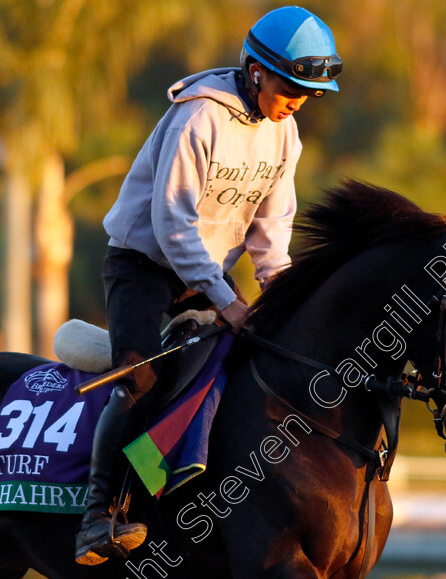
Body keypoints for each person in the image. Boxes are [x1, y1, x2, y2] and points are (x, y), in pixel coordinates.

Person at [74, 6, 343, 566]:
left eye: (309, 91)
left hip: (207, 272)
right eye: (291, 85)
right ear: (255, 71)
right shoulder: (199, 117)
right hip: (144, 267)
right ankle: (100, 514)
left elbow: (271, 234)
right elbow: (173, 227)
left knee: (252, 367)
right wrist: (226, 301)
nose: (298, 99)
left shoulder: (284, 134)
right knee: (141, 376)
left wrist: (284, 301)